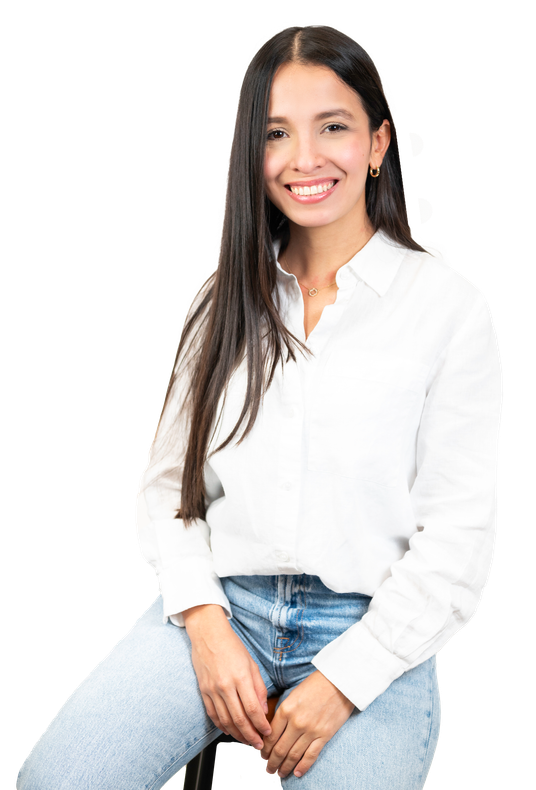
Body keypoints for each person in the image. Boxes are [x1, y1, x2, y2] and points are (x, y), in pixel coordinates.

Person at [16, 24, 504, 789]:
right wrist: (205, 624)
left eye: (333, 127)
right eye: (277, 133)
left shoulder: (449, 311)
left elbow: (459, 541)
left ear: (379, 144)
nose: (305, 158)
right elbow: (164, 493)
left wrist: (347, 680)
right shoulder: (223, 304)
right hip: (226, 606)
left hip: (375, 628)